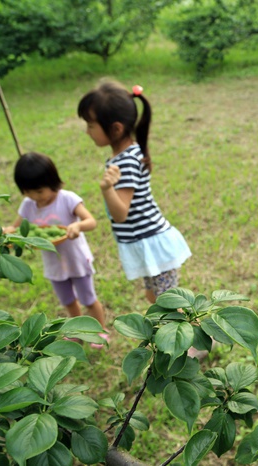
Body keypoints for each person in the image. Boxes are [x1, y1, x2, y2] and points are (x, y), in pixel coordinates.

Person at [76, 80, 200, 351]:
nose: (87, 131)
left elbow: (121, 213)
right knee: (153, 295)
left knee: (168, 301)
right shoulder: (127, 153)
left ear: (115, 128)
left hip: (153, 244)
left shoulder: (125, 162)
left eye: (90, 125)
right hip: (146, 244)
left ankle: (193, 344)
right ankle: (182, 337)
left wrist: (107, 189)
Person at [4, 152, 108, 348]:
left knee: (88, 299)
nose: (35, 197)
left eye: (39, 192)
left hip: (76, 260)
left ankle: (99, 331)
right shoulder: (28, 205)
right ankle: (77, 331)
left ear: (52, 183)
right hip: (54, 265)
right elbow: (16, 228)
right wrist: (7, 233)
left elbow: (91, 221)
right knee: (68, 301)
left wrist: (77, 226)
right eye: (28, 192)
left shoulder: (67, 199)